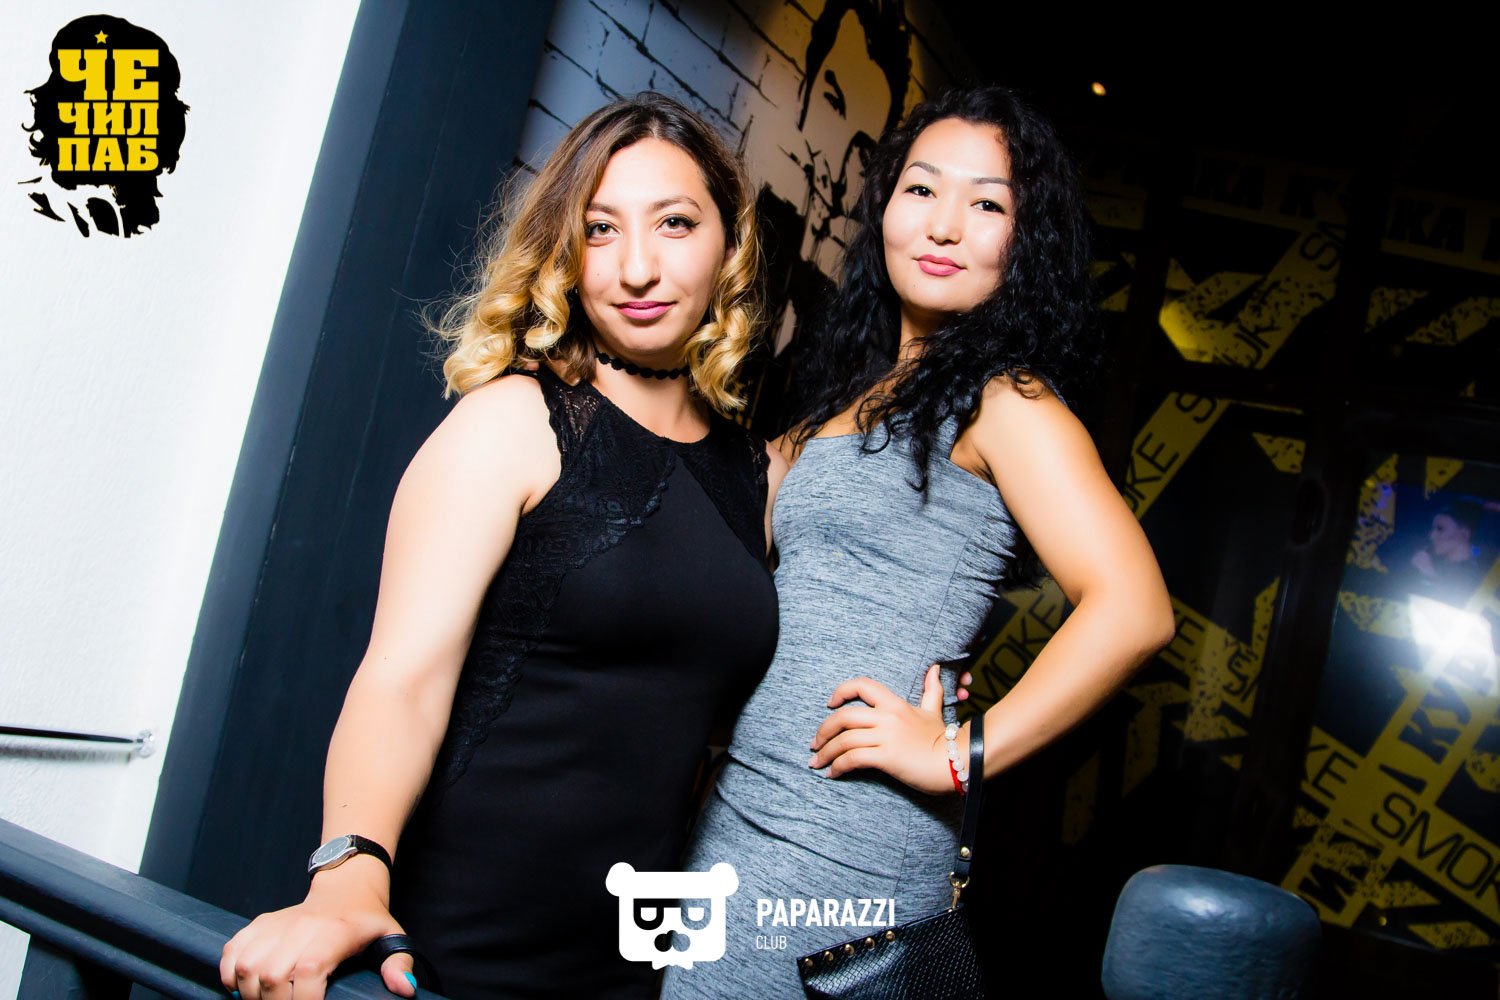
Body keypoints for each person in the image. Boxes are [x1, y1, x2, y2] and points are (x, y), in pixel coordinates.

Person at [219, 93, 784, 1000]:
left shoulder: (757, 473)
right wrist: (349, 877)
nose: (639, 266)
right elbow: (401, 680)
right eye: (599, 230)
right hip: (464, 946)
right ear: (565, 252)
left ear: (729, 244)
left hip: (635, 961)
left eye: (675, 223)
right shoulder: (515, 421)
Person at [660, 85, 1176, 998]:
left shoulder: (1008, 402)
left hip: (845, 848)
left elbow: (1135, 611)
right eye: (922, 189)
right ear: (886, 208)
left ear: (1026, 243)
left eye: (988, 204)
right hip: (736, 817)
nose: (944, 225)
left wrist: (957, 753)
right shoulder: (847, 397)